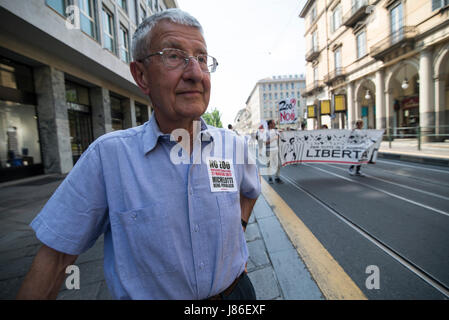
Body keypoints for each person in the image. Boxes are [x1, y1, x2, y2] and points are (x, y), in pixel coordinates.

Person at [17, 9, 260, 300]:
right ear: (141, 75)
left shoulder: (233, 145)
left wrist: (238, 233)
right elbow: (55, 261)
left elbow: (250, 191)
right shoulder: (108, 158)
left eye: (202, 59)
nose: (195, 73)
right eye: (174, 55)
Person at [266, 120, 282, 184]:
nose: (274, 125)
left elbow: (280, 137)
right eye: (273, 124)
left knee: (278, 164)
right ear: (269, 124)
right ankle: (270, 178)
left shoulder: (275, 131)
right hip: (269, 150)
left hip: (276, 150)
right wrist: (274, 139)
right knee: (269, 165)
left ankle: (277, 177)